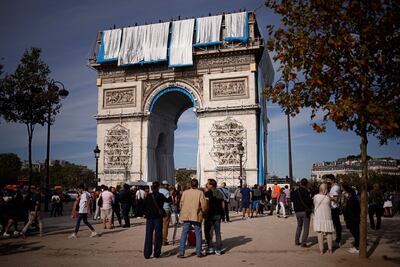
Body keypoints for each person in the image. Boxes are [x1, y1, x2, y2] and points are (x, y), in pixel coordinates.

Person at [177, 179, 207, 258]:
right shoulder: (200, 193)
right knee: (198, 233)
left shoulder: (185, 192)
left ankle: (181, 252)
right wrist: (203, 211)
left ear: (191, 184)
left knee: (184, 233)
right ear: (197, 185)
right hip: (196, 214)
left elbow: (181, 203)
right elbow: (204, 205)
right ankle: (198, 252)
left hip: (186, 215)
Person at [143, 181, 171, 259]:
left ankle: (147, 254)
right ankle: (156, 253)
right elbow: (168, 201)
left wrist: (146, 213)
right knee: (158, 236)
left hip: (149, 218)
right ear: (158, 187)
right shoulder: (160, 195)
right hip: (158, 218)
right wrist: (171, 194)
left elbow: (143, 206)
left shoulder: (148, 196)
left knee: (148, 236)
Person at [313, 183, 335, 254]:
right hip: (327, 216)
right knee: (329, 233)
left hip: (319, 216)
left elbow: (314, 204)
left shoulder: (315, 197)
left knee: (319, 233)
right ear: (326, 189)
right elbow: (333, 202)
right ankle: (330, 249)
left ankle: (321, 250)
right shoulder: (328, 197)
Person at [205, 179, 224, 255]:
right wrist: (223, 214)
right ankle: (218, 249)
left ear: (211, 185)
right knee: (218, 232)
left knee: (208, 232)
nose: (206, 184)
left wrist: (205, 214)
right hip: (218, 214)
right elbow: (222, 204)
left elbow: (206, 205)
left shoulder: (207, 193)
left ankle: (210, 248)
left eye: (208, 183)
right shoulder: (220, 193)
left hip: (210, 214)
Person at [291, 178, 313, 247]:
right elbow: (308, 202)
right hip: (305, 211)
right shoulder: (306, 191)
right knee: (306, 227)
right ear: (306, 184)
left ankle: (296, 241)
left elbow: (292, 200)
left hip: (297, 211)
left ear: (300, 183)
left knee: (299, 226)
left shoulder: (295, 191)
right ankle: (303, 242)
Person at [342, 185, 360, 254]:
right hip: (351, 218)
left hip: (353, 218)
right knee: (354, 232)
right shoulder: (351, 198)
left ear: (349, 192)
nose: (344, 193)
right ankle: (356, 245)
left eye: (345, 192)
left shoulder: (353, 199)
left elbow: (353, 209)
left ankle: (357, 247)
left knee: (356, 232)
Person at [326, 174, 342, 246]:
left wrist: (327, 196)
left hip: (334, 208)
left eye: (328, 180)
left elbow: (335, 199)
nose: (327, 181)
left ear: (332, 180)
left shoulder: (335, 187)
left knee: (336, 224)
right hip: (333, 208)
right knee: (335, 224)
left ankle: (338, 240)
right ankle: (337, 239)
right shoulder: (333, 187)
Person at [159, 180, 172, 245]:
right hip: (166, 209)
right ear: (165, 185)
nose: (168, 186)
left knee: (158, 226)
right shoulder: (167, 192)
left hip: (158, 210)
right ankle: (164, 240)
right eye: (167, 185)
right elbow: (169, 201)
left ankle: (156, 239)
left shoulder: (158, 191)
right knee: (165, 226)